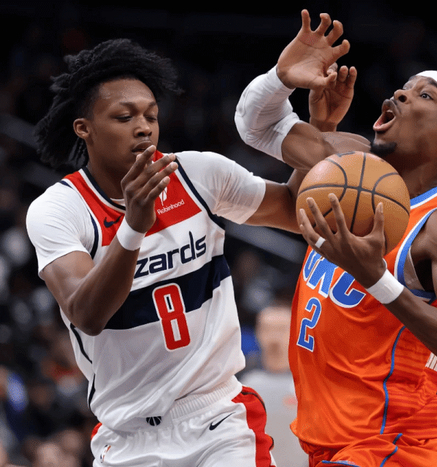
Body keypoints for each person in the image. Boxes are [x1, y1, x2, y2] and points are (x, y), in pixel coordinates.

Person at [24, 37, 317, 466]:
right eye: (124, 117)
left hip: (218, 418)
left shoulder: (198, 174)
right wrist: (133, 228)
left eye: (151, 115)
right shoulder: (58, 210)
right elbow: (87, 314)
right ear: (84, 128)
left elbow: (296, 211)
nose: (143, 127)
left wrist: (315, 122)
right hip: (126, 433)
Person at [235, 9, 437, 466]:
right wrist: (283, 80)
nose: (401, 93)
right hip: (329, 444)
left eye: (425, 95)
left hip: (393, 447)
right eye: (405, 87)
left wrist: (376, 278)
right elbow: (255, 125)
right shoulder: (348, 160)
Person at [240, 304, 308, 467]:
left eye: (282, 329)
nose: (274, 337)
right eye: (268, 329)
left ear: (295, 332)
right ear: (257, 332)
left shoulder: (310, 380)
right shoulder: (240, 378)